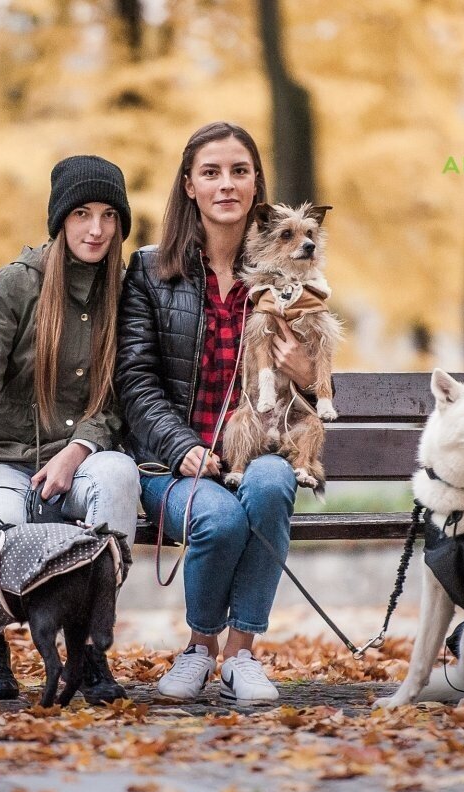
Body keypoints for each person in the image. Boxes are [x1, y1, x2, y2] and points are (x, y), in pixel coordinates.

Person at [0, 155, 140, 704]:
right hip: (1, 456)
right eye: (83, 214)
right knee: (1, 516)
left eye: (110, 216)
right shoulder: (15, 286)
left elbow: (117, 396)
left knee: (116, 476)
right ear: (60, 221)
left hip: (79, 457)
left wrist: (79, 450)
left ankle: (90, 652)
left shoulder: (125, 290)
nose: (96, 229)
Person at [115, 122, 319, 703]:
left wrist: (305, 372)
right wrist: (181, 449)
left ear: (257, 186)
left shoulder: (286, 280)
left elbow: (313, 387)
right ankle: (200, 650)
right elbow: (135, 379)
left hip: (258, 452)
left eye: (239, 171)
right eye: (211, 172)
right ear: (189, 186)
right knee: (221, 518)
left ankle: (240, 656)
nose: (226, 184)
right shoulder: (152, 272)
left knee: (275, 480)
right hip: (169, 466)